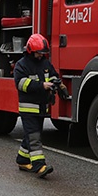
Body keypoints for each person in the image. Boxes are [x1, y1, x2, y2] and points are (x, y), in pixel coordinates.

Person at [14, 33, 60, 178]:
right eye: (39, 53)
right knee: (34, 137)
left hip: (41, 107)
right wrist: (42, 85)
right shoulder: (21, 65)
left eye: (43, 53)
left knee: (31, 134)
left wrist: (56, 83)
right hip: (28, 108)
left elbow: (52, 74)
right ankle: (39, 166)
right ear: (31, 51)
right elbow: (21, 84)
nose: (41, 55)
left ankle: (22, 160)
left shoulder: (44, 63)